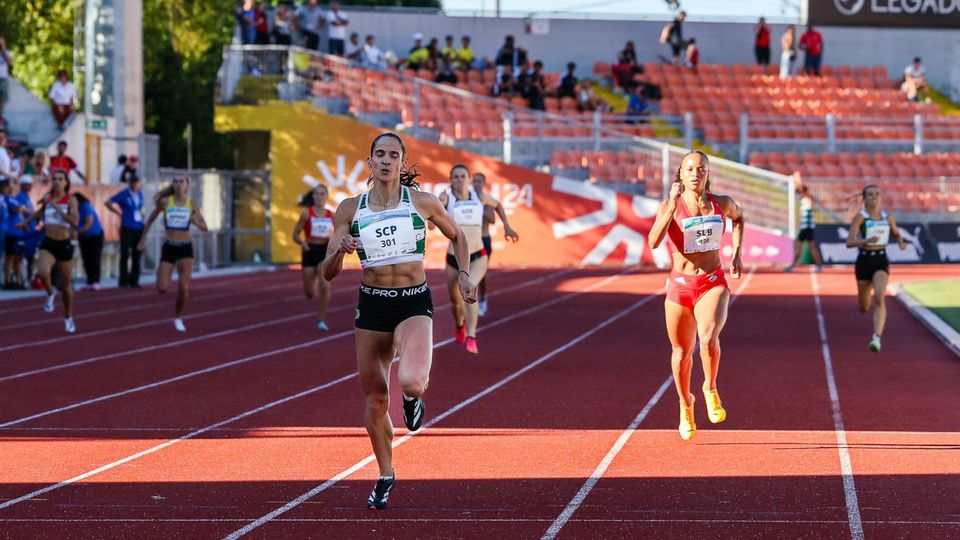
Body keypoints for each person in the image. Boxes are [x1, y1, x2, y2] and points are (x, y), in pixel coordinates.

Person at [322, 132, 476, 510]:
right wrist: (340, 252)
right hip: (372, 306)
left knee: (412, 380)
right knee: (375, 399)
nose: (387, 161)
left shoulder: (420, 203)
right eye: (380, 154)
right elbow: (327, 272)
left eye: (394, 155)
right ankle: (386, 474)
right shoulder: (349, 209)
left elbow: (458, 239)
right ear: (370, 161)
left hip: (413, 302)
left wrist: (466, 275)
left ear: (402, 163)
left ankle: (412, 398)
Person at [648, 150, 744, 441]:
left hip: (712, 280)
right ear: (680, 173)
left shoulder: (721, 203)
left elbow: (739, 219)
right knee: (680, 353)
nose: (695, 174)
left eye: (701, 169)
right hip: (679, 285)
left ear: (708, 173)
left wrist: (737, 254)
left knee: (709, 337)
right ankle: (685, 404)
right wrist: (671, 205)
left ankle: (710, 388)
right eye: (689, 169)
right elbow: (653, 242)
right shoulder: (670, 205)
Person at [138, 176, 209, 332]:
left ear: (187, 185)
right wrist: (142, 240)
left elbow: (205, 227)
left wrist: (195, 222)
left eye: (181, 181)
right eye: (175, 181)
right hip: (169, 246)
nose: (178, 184)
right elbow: (149, 220)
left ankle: (178, 317)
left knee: (184, 288)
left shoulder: (192, 205)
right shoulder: (165, 202)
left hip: (185, 248)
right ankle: (164, 272)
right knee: (162, 288)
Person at [434, 165, 489, 354]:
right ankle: (460, 325)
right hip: (454, 259)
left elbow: (497, 205)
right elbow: (432, 227)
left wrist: (507, 226)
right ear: (451, 179)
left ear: (468, 178)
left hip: (478, 256)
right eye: (456, 177)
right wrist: (439, 206)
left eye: (463, 176)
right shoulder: (447, 199)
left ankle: (472, 336)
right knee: (456, 302)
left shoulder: (478, 196)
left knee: (469, 293)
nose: (459, 179)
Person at [845, 185, 907, 353]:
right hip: (864, 261)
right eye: (870, 195)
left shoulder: (887, 217)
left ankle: (876, 338)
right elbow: (849, 242)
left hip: (881, 260)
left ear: (881, 198)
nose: (874, 197)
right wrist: (865, 240)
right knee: (864, 307)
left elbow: (895, 233)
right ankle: (866, 296)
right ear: (864, 198)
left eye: (877, 194)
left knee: (880, 296)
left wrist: (900, 240)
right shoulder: (861, 218)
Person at [17, 170, 79, 333]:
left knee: (66, 287)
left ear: (66, 182)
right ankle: (50, 293)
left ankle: (68, 317)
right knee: (43, 272)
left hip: (64, 243)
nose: (57, 182)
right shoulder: (47, 197)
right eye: (54, 179)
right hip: (49, 242)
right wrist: (26, 221)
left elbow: (74, 222)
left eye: (60, 179)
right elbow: (40, 212)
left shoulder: (71, 200)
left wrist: (59, 210)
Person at [472, 172, 519, 317]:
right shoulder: (467, 197)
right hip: (469, 240)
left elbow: (492, 219)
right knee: (468, 273)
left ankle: (483, 299)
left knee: (482, 272)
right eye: (475, 181)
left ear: (484, 184)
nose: (477, 184)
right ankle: (469, 302)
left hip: (484, 239)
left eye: (480, 181)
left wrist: (480, 207)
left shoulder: (486, 200)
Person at [291, 184, 334, 332]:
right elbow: (295, 234)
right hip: (310, 250)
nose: (319, 197)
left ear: (326, 196)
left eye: (322, 194)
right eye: (317, 194)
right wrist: (302, 242)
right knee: (309, 293)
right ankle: (314, 277)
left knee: (325, 285)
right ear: (313, 196)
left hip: (324, 250)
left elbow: (338, 233)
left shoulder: (331, 215)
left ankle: (321, 320)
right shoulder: (306, 214)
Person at [106, 176, 145, 288]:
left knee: (137, 254)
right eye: (133, 183)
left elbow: (140, 209)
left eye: (136, 183)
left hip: (138, 226)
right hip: (127, 226)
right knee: (125, 254)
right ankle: (123, 281)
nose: (135, 185)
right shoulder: (124, 194)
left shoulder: (140, 194)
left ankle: (134, 280)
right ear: (130, 183)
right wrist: (118, 213)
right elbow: (108, 202)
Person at [784, 184, 822, 273]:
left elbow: (812, 200)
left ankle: (818, 264)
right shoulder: (803, 200)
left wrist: (802, 187)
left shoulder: (807, 200)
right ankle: (793, 265)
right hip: (804, 227)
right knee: (801, 247)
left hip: (807, 228)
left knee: (810, 247)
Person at [75, 192, 104, 290]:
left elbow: (89, 222)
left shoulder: (85, 206)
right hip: (84, 237)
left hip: (94, 235)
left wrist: (78, 231)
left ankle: (96, 281)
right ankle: (90, 280)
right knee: (86, 258)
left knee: (94, 258)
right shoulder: (75, 209)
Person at [3, 177, 28, 289]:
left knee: (18, 258)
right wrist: (22, 208)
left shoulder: (15, 199)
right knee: (10, 257)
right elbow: (17, 210)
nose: (11, 187)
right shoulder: (6, 199)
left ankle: (19, 280)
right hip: (11, 232)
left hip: (20, 232)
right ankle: (7, 280)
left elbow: (23, 210)